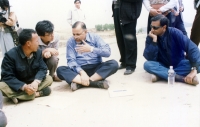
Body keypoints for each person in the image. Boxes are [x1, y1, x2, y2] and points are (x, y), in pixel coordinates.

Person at [57, 21, 118, 91]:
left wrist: (91, 49)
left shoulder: (95, 37)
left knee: (114, 64)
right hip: (79, 71)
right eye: (73, 34)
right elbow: (71, 60)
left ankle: (80, 83)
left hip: (96, 68)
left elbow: (107, 52)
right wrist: (82, 72)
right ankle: (95, 83)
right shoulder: (71, 41)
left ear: (86, 31)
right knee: (60, 70)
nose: (75, 37)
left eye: (78, 34)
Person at [143, 14, 200, 85]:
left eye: (155, 27)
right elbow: (149, 58)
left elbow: (192, 48)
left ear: (164, 27)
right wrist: (154, 41)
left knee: (197, 64)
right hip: (162, 65)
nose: (152, 30)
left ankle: (161, 75)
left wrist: (194, 70)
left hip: (179, 64)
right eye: (151, 26)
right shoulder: (151, 36)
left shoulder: (175, 33)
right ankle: (180, 78)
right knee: (147, 65)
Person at [0, 29, 53, 104]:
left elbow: (43, 68)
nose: (38, 43)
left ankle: (18, 97)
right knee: (1, 86)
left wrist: (36, 82)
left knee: (49, 78)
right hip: (18, 85)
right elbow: (7, 76)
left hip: (32, 82)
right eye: (37, 41)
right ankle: (36, 94)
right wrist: (24, 87)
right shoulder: (10, 55)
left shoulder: (38, 52)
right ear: (28, 43)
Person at [112, 0, 143, 75]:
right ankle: (124, 61)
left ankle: (131, 65)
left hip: (128, 12)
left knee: (129, 40)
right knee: (120, 38)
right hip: (117, 9)